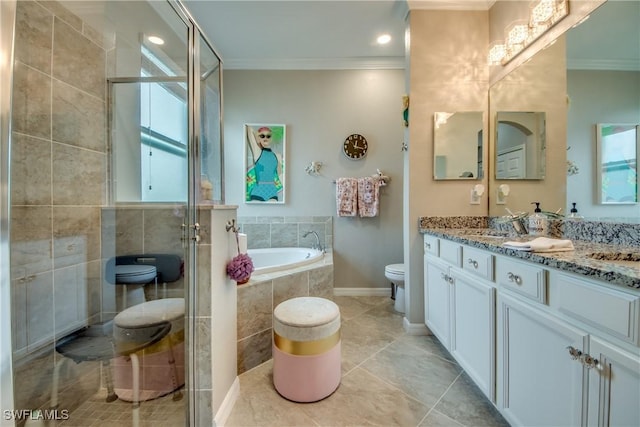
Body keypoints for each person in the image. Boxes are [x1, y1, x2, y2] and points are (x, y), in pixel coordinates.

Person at [246, 126, 283, 201]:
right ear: (258, 137)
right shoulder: (257, 152)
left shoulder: (277, 156)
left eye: (268, 136)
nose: (265, 138)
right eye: (262, 136)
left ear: (271, 138)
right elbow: (249, 130)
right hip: (258, 191)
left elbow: (280, 175)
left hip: (272, 191)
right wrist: (257, 136)